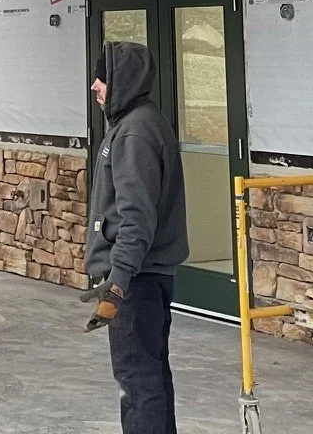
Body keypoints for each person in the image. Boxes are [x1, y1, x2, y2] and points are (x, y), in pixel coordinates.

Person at [84, 40, 188, 434]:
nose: (95, 86)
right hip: (145, 277)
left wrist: (117, 282)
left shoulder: (134, 133)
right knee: (151, 375)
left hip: (136, 282)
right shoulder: (139, 124)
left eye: (102, 77)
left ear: (122, 81)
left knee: (137, 381)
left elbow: (136, 218)